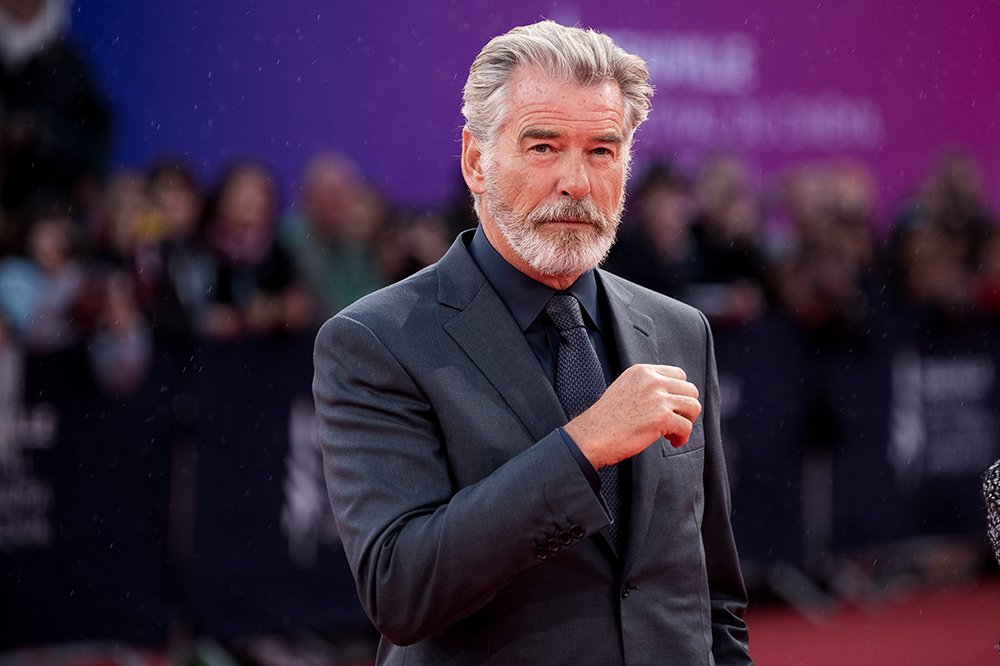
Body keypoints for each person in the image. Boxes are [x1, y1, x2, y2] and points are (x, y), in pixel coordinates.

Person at [313, 20, 751, 664]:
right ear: (475, 161)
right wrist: (583, 446)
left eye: (602, 151)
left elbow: (712, 594)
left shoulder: (681, 330)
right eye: (543, 147)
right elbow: (400, 589)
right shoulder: (376, 341)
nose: (576, 181)